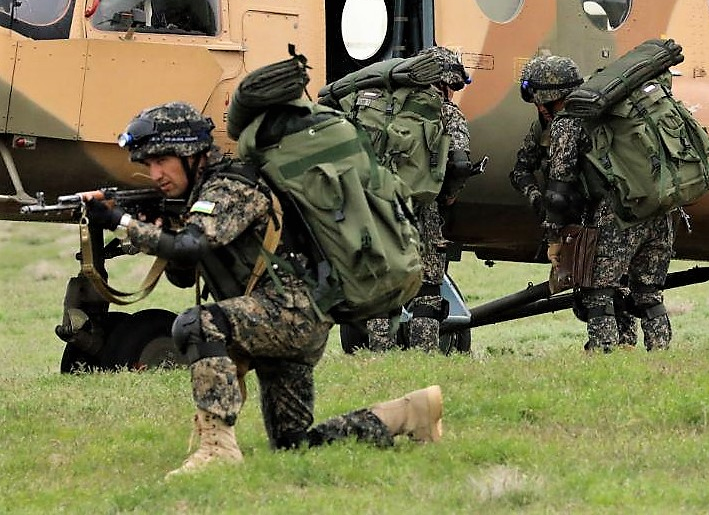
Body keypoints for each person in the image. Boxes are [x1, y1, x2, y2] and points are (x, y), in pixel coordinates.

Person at [82, 101, 443, 476]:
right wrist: (157, 230)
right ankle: (409, 413)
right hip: (286, 320)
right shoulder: (204, 194)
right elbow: (183, 272)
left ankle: (217, 449)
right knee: (293, 443)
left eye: (161, 160)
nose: (154, 173)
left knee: (198, 325)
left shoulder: (230, 187)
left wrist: (119, 221)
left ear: (190, 152)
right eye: (148, 165)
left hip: (289, 314)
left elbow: (192, 246)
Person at [509, 55, 674, 352]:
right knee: (648, 293)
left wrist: (554, 235)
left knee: (598, 292)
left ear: (546, 98)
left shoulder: (568, 121)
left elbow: (559, 189)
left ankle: (602, 353)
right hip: (658, 210)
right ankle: (661, 356)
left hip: (615, 216)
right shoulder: (614, 109)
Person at [365, 46, 476, 352]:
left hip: (380, 206)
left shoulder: (383, 107)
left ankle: (378, 352)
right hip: (424, 208)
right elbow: (460, 164)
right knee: (427, 287)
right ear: (444, 83)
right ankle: (423, 353)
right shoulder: (446, 113)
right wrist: (450, 196)